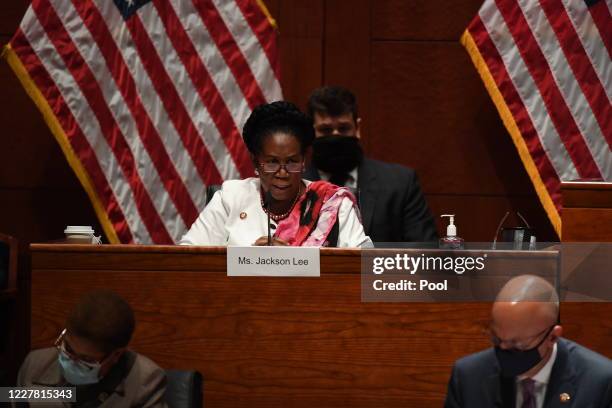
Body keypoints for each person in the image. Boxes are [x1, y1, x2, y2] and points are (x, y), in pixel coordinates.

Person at [180, 101, 372, 247]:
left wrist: (293, 263)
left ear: (303, 160)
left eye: (291, 162)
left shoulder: (332, 204)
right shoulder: (230, 199)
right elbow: (188, 258)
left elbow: (363, 268)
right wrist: (248, 262)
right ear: (256, 162)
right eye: (272, 163)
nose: (282, 173)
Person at [445, 275, 612, 408]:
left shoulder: (600, 383)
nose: (504, 351)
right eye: (497, 339)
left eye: (517, 345)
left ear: (552, 337)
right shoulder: (468, 376)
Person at [304, 85, 438, 244]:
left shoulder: (400, 184)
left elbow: (424, 252)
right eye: (326, 130)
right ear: (311, 133)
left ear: (358, 128)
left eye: (343, 128)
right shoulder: (294, 186)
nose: (335, 136)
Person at [17, 290, 167, 407]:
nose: (71, 361)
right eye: (68, 348)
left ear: (116, 355)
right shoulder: (35, 364)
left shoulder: (145, 381)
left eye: (86, 359)